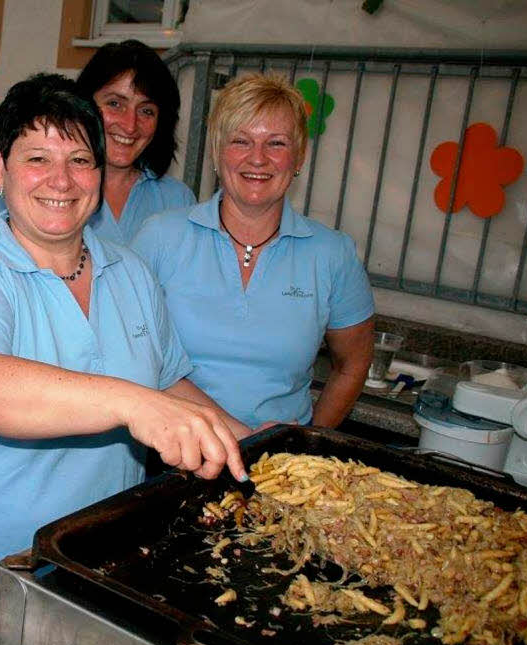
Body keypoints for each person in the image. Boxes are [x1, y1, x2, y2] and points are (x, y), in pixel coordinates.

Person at [0, 74, 251, 645]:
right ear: (2, 171)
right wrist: (132, 404)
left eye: (81, 160)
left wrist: (257, 446)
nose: (61, 181)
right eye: (38, 159)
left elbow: (167, 385)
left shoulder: (131, 272)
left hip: (98, 572)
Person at [131, 74, 374, 430]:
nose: (257, 158)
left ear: (299, 157)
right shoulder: (161, 238)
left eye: (275, 143)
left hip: (276, 471)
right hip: (170, 459)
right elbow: (128, 351)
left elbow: (353, 364)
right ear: (217, 152)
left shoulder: (333, 255)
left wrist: (305, 446)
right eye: (240, 141)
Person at [0, 39, 195, 245]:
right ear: (84, 106)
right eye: (115, 104)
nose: (130, 125)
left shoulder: (177, 200)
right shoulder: (29, 191)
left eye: (146, 111)